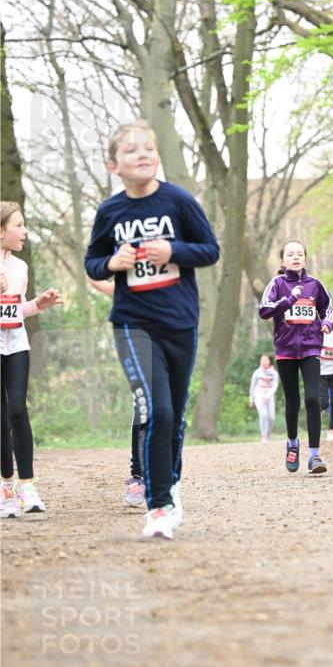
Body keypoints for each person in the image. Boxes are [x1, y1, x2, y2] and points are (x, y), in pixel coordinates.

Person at [84, 121, 220, 539]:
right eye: (130, 151)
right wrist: (112, 264)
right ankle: (158, 505)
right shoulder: (111, 212)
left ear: (157, 156)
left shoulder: (178, 200)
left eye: (148, 148)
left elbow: (210, 250)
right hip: (132, 322)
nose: (141, 155)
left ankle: (170, 482)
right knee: (154, 409)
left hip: (179, 322)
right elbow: (92, 261)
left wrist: (173, 250)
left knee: (174, 414)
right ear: (114, 165)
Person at [1, 201, 62, 517]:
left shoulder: (20, 268)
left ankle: (28, 487)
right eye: (18, 225)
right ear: (1, 231)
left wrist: (39, 303)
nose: (24, 231)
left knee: (17, 411)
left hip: (17, 345)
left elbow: (17, 309)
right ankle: (6, 489)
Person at [258, 239, 333, 474]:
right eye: (290, 254)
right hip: (286, 350)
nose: (295, 257)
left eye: (299, 254)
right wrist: (289, 300)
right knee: (293, 401)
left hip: (312, 347)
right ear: (283, 260)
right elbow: (264, 310)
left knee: (312, 398)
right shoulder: (277, 284)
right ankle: (292, 444)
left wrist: (328, 323)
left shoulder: (315, 285)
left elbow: (328, 308)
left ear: (305, 258)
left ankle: (314, 456)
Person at [87, 275, 145, 507]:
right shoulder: (129, 282)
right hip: (139, 346)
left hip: (171, 341)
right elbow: (96, 276)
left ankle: (166, 475)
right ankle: (138, 478)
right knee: (142, 406)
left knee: (167, 409)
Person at [249, 353, 279, 442]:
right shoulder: (257, 373)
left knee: (271, 417)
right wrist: (251, 398)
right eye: (262, 360)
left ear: (270, 361)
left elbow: (275, 386)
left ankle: (268, 435)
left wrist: (268, 396)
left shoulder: (274, 373)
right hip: (258, 395)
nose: (263, 362)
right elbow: (252, 386)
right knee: (263, 415)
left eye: (265, 360)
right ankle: (263, 435)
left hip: (269, 396)